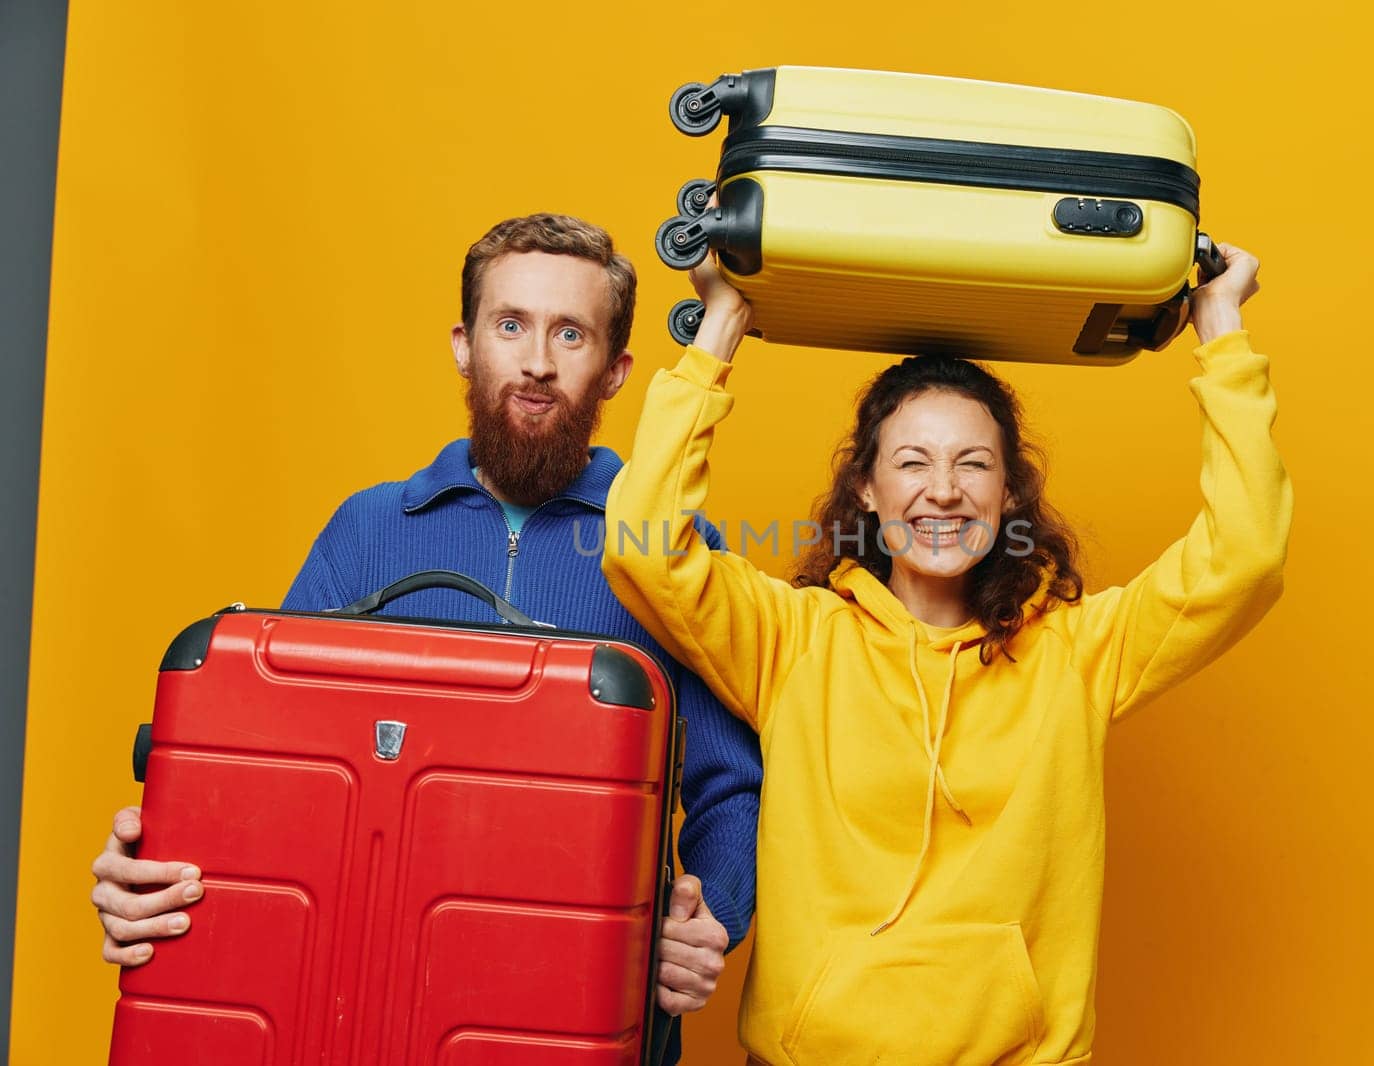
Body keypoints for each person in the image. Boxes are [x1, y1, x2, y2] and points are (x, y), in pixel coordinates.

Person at [88, 213, 762, 1061]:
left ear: (617, 370)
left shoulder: (668, 554)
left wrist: (710, 921)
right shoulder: (367, 529)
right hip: (360, 1014)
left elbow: (733, 788)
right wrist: (155, 859)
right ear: (463, 343)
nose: (538, 362)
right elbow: (266, 762)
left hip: (571, 1020)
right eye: (510, 324)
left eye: (571, 334)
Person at [601, 242, 1291, 1064]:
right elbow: (644, 547)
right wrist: (720, 326)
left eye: (974, 464)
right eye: (912, 462)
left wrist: (1221, 329)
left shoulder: (1077, 652)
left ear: (1008, 493)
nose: (944, 490)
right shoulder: (794, 641)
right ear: (868, 487)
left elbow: (1245, 557)